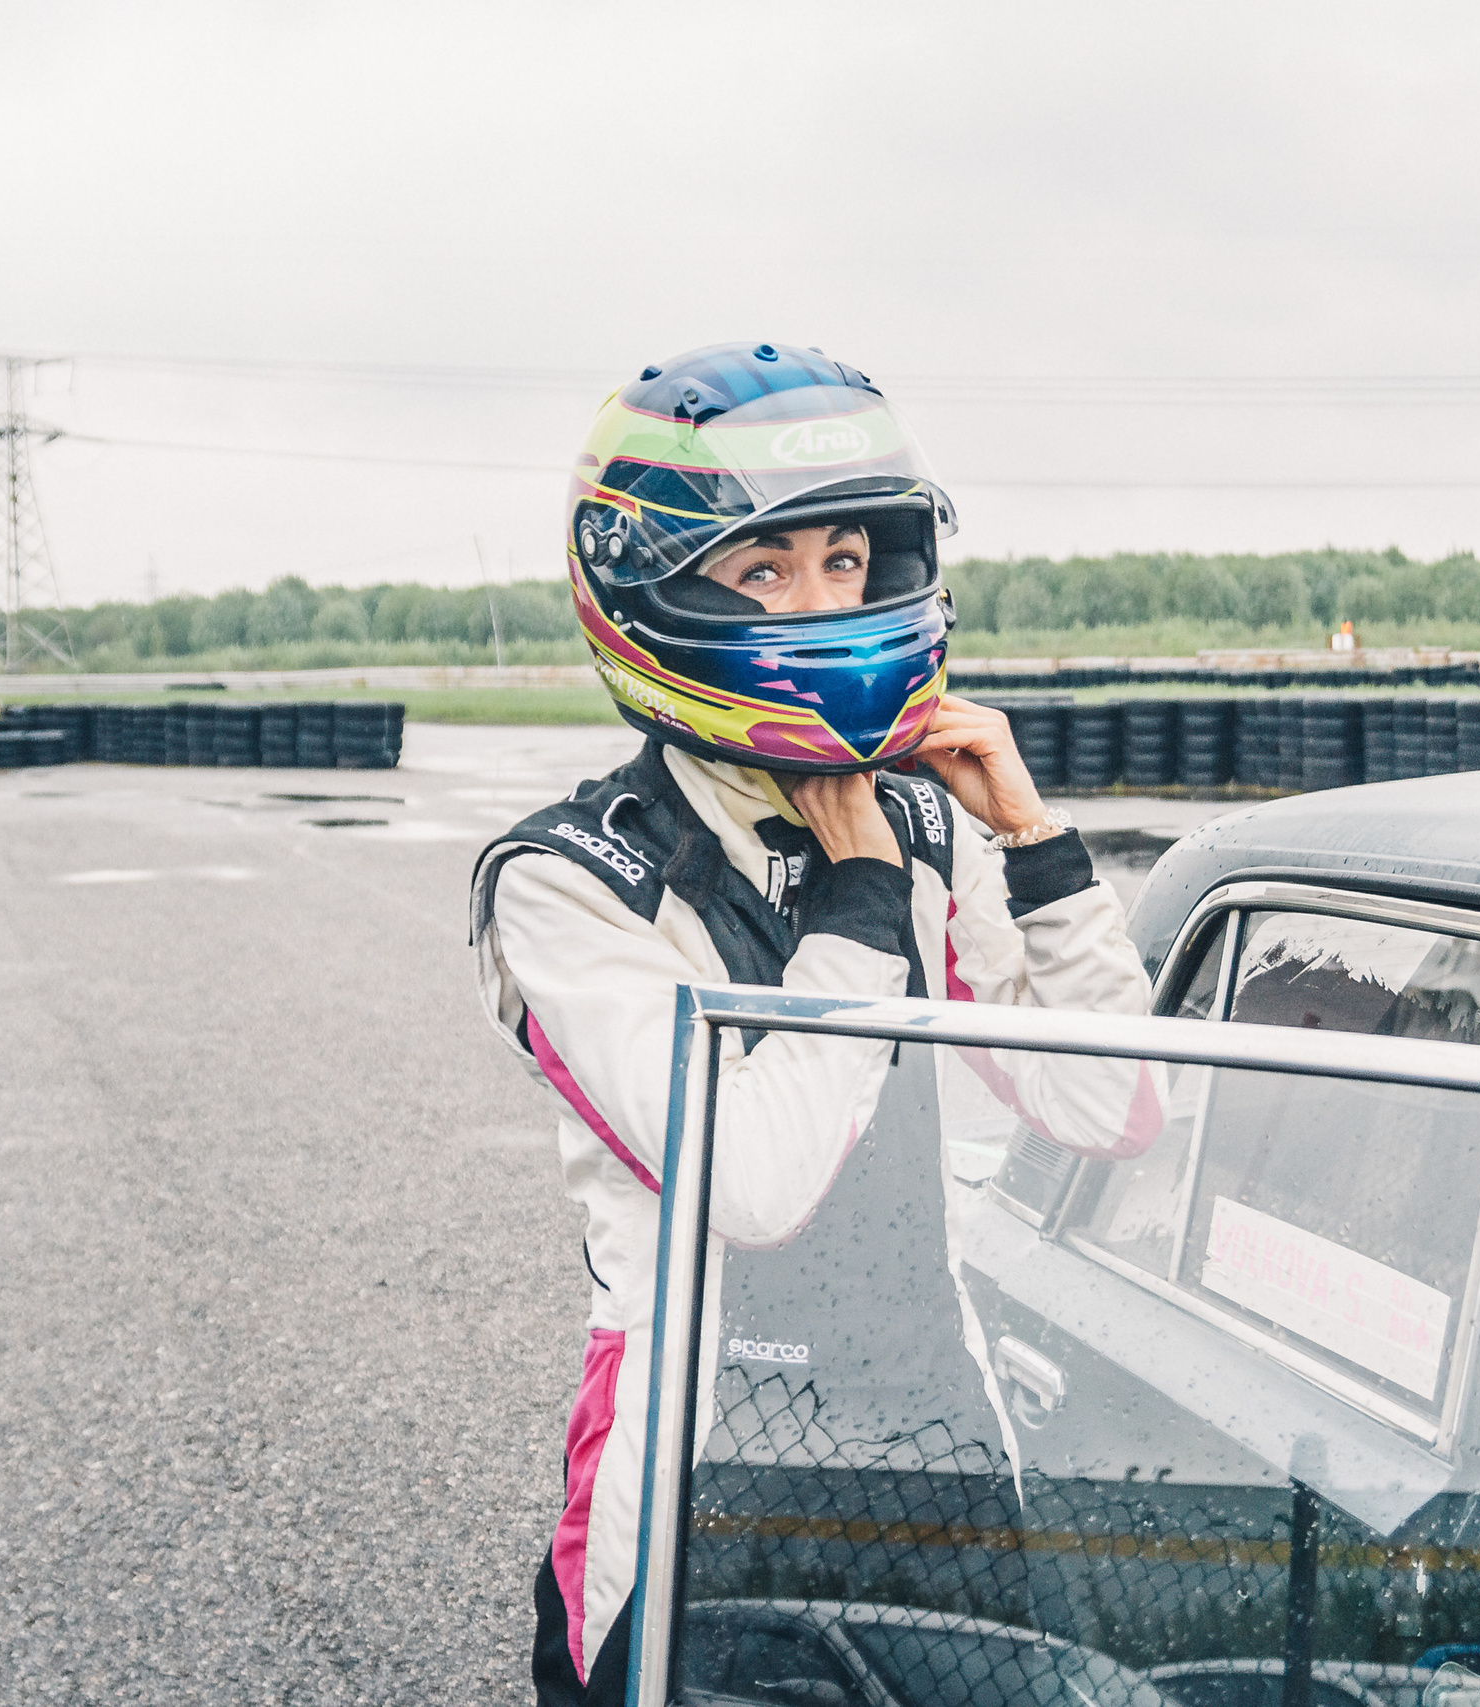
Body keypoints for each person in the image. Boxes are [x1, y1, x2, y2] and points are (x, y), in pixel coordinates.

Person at [467, 343, 1156, 1707]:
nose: (825, 601)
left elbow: (1115, 1112)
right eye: (766, 572)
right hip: (695, 1455)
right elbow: (756, 1184)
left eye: (847, 563)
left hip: (933, 1427)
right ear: (651, 592)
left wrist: (1034, 841)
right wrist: (854, 904)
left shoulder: (924, 825)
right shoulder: (566, 882)